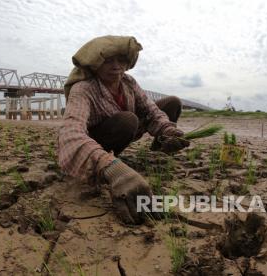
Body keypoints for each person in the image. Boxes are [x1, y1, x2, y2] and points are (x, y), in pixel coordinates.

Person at [58, 35, 190, 224]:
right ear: (95, 64)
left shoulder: (128, 82)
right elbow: (70, 132)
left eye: (121, 60)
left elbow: (151, 110)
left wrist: (168, 131)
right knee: (128, 120)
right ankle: (109, 159)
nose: (116, 66)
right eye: (108, 61)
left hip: (130, 126)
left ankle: (161, 147)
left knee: (172, 103)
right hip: (100, 138)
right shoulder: (83, 89)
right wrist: (110, 167)